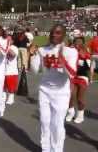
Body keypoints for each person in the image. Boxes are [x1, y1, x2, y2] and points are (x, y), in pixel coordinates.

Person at [29, 24, 78, 152]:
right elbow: (34, 70)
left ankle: (57, 149)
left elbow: (72, 74)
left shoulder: (70, 51)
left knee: (57, 125)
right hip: (44, 90)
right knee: (45, 123)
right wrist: (32, 55)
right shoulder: (43, 50)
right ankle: (46, 149)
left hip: (61, 93)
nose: (53, 35)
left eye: (57, 33)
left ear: (64, 35)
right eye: (52, 32)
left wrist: (62, 59)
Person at [66, 35, 91, 124]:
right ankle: (71, 112)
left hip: (82, 76)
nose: (78, 43)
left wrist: (83, 56)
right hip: (72, 76)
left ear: (82, 43)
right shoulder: (71, 50)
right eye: (76, 41)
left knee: (80, 98)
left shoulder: (86, 52)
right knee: (70, 95)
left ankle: (80, 115)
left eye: (80, 41)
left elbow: (88, 66)